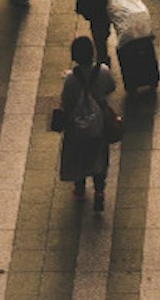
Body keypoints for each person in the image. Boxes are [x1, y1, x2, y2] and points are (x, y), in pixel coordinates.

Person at [57, 33, 117, 212]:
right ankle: (99, 191)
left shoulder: (71, 78)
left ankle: (80, 188)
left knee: (79, 156)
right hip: (99, 124)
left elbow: (66, 100)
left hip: (77, 126)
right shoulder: (103, 71)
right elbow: (112, 87)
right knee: (99, 156)